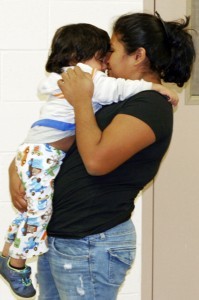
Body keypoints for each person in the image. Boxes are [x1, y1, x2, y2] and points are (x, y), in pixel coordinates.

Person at [6, 11, 195, 300]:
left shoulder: (151, 104)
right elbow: (68, 140)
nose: (105, 59)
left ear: (138, 55)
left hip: (92, 242)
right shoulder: (111, 97)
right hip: (64, 238)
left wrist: (81, 99)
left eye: (112, 49)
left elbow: (95, 161)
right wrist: (18, 168)